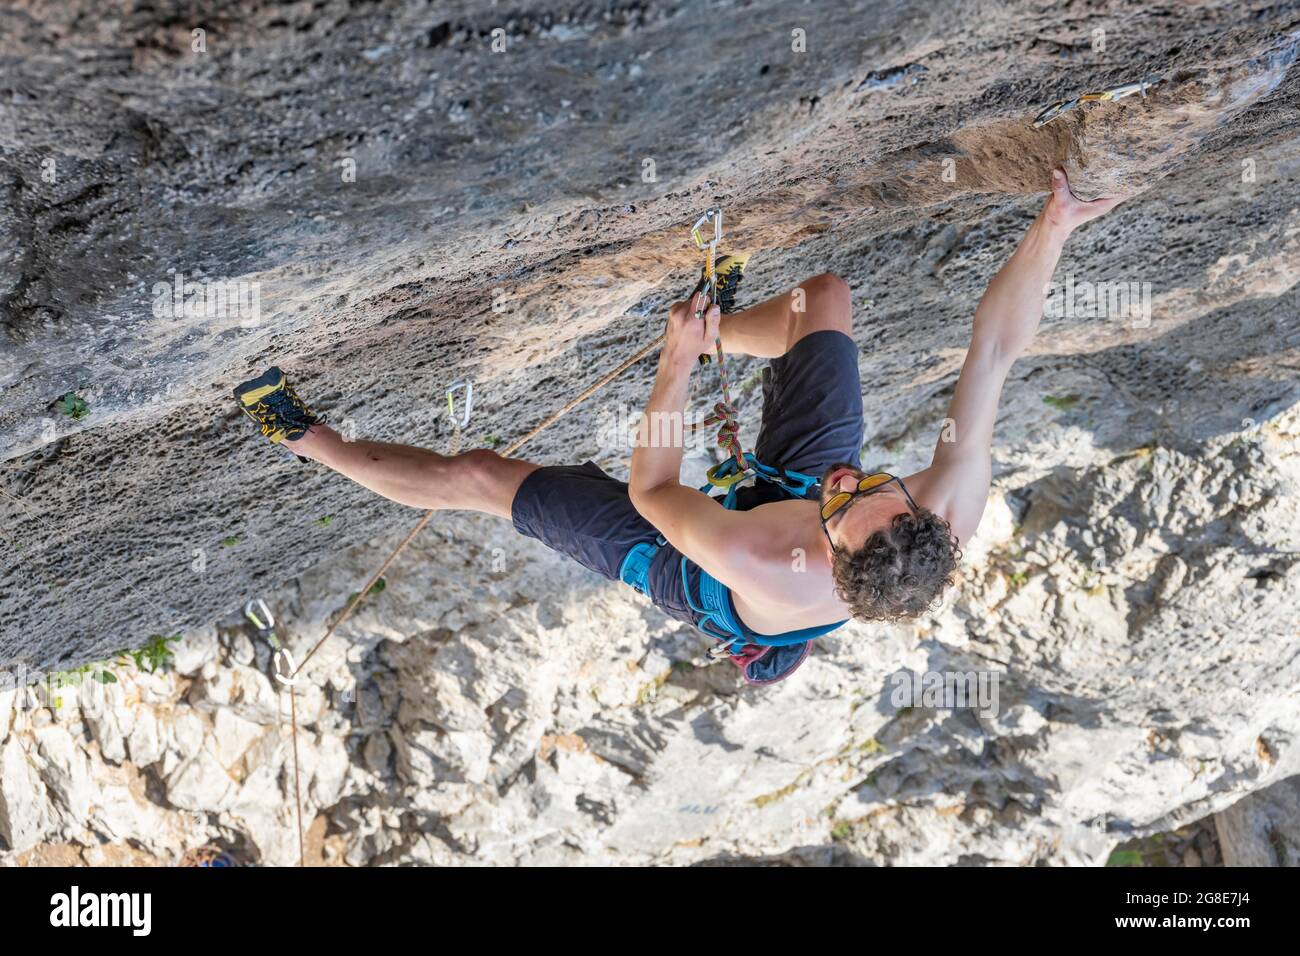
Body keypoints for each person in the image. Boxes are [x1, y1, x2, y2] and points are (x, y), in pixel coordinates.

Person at [234, 168, 1120, 684]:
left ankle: (303, 437)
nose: (850, 479)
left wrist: (676, 363)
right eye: (872, 486)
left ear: (833, 552)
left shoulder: (762, 558)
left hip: (697, 573)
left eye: (843, 503)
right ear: (919, 511)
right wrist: (1055, 226)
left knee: (480, 477)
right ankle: (721, 322)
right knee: (824, 301)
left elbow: (652, 487)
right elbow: (995, 349)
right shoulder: (944, 504)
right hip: (797, 505)